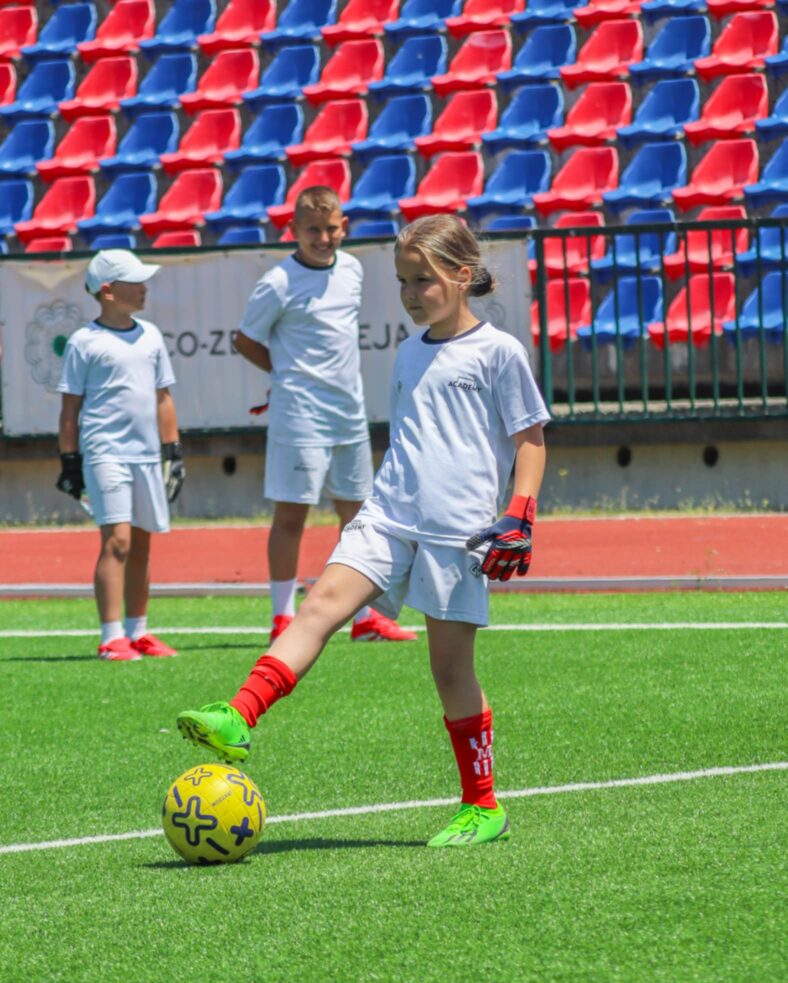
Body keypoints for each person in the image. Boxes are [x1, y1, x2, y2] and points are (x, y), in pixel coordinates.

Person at [177, 214, 549, 847]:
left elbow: (530, 439)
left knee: (450, 671)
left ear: (463, 276)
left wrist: (520, 513)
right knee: (320, 603)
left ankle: (483, 805)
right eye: (402, 281)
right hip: (386, 516)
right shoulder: (408, 350)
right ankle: (239, 714)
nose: (410, 294)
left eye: (422, 280)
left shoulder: (499, 351)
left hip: (456, 534)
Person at [232, 185, 417, 644]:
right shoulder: (278, 281)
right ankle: (281, 617)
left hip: (349, 412)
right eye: (312, 230)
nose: (323, 238)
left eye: (331, 228)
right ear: (293, 230)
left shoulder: (352, 269)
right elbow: (245, 340)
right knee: (292, 515)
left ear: (344, 227)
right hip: (299, 415)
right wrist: (287, 374)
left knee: (358, 516)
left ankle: (364, 617)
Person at [56, 250, 186, 662]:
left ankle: (138, 632)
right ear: (108, 291)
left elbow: (163, 398)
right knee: (118, 541)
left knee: (142, 543)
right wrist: (70, 460)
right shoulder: (83, 342)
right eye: (136, 282)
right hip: (104, 453)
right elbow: (70, 409)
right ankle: (111, 637)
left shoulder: (151, 335)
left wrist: (172, 452)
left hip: (146, 455)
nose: (145, 288)